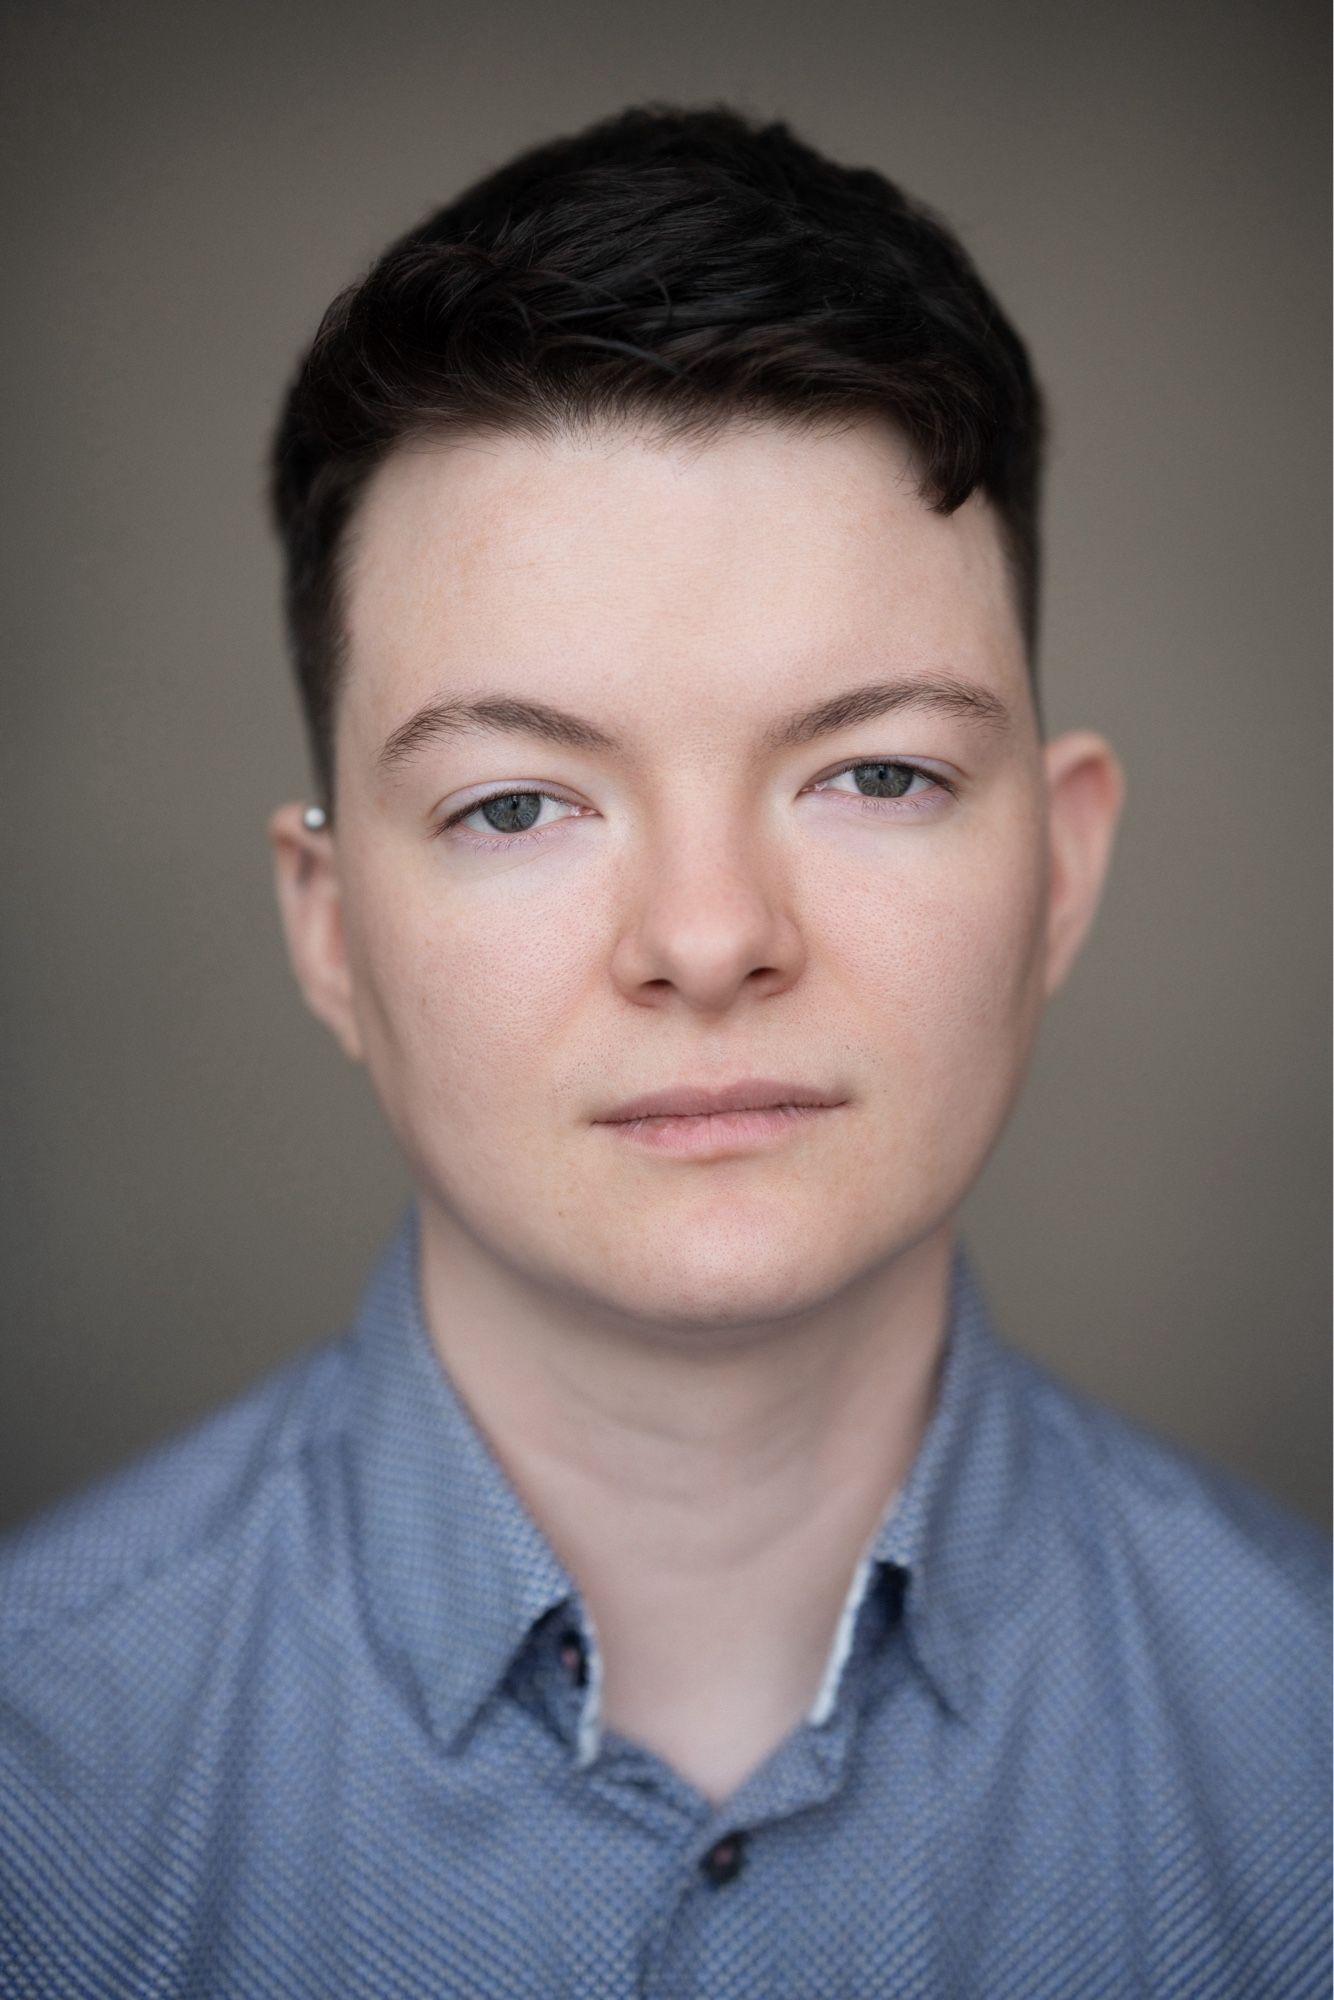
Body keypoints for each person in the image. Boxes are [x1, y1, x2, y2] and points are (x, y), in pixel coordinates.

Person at [0, 101, 1327, 2000]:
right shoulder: (32, 1785)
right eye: (518, 804)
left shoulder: (1303, 1772)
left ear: (1059, 866)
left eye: (874, 773)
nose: (708, 938)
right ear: (330, 933)